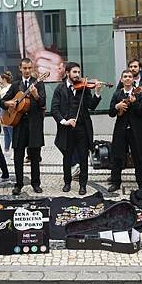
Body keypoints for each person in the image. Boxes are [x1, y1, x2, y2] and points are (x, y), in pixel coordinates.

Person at [51, 62, 102, 195]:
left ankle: (83, 185)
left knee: (83, 157)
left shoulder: (85, 88)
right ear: (67, 73)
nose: (77, 75)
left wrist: (97, 92)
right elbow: (54, 109)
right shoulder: (59, 89)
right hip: (67, 129)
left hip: (82, 128)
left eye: (79, 72)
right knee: (67, 157)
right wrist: (64, 121)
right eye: (74, 72)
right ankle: (67, 182)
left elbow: (91, 106)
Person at [1, 58, 46, 195]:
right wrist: (8, 104)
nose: (27, 71)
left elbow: (43, 103)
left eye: (29, 68)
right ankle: (18, 184)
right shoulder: (15, 85)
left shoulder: (39, 83)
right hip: (19, 124)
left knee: (34, 156)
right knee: (18, 156)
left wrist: (36, 95)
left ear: (32, 69)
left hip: (34, 125)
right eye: (24, 68)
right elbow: (2, 102)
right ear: (20, 68)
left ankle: (36, 183)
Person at [108, 69, 142, 192]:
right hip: (121, 130)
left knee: (139, 157)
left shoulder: (139, 93)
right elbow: (111, 113)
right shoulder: (117, 94)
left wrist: (135, 103)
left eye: (129, 76)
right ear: (121, 79)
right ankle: (116, 182)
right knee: (117, 156)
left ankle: (141, 183)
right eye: (125, 76)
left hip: (136, 130)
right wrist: (117, 106)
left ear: (133, 79)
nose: (127, 78)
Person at [0, 71, 14, 161]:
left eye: (0, 79)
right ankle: (6, 149)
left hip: (9, 112)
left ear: (4, 79)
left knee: (11, 132)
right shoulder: (1, 88)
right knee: (6, 132)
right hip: (3, 112)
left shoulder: (10, 88)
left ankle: (13, 151)